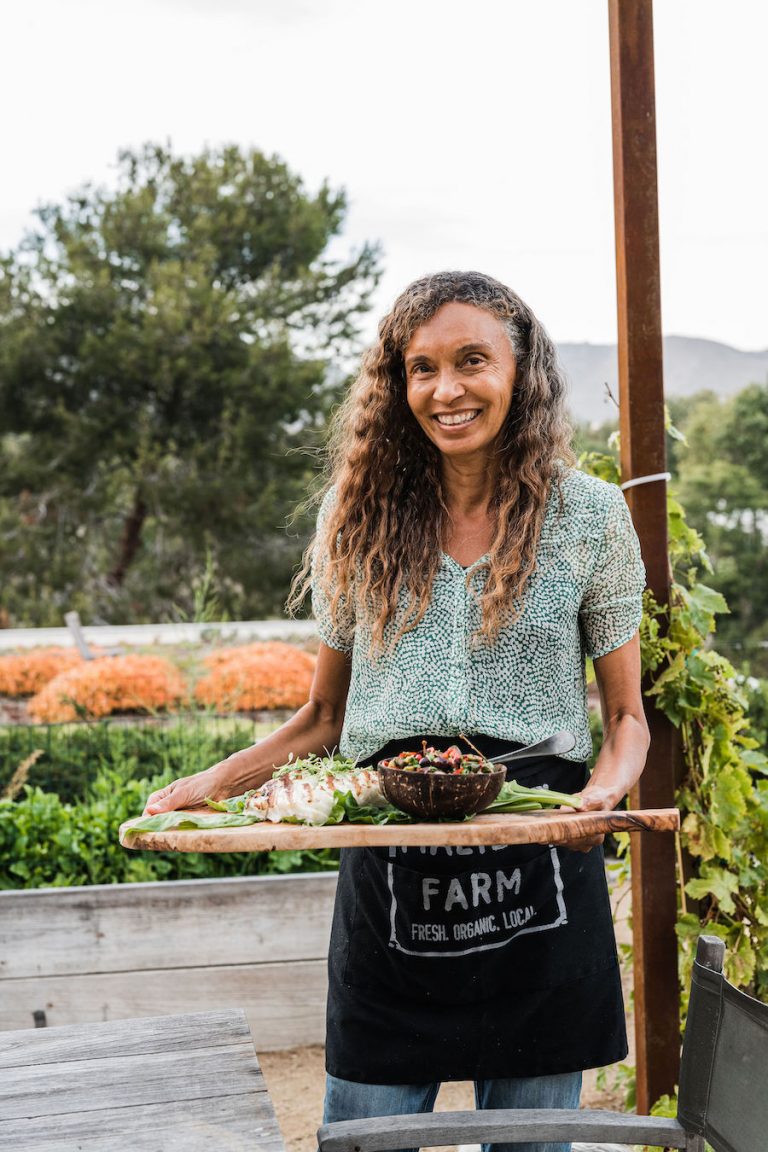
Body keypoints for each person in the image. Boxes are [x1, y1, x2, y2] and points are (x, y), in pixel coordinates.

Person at [144, 270, 650, 1152]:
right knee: (362, 1139)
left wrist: (598, 799)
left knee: (533, 1147)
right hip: (390, 875)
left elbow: (625, 720)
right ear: (398, 382)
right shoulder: (360, 517)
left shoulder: (592, 517)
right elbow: (321, 718)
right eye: (422, 368)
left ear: (520, 370)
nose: (446, 390)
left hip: (541, 866)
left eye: (471, 362)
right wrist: (208, 784)